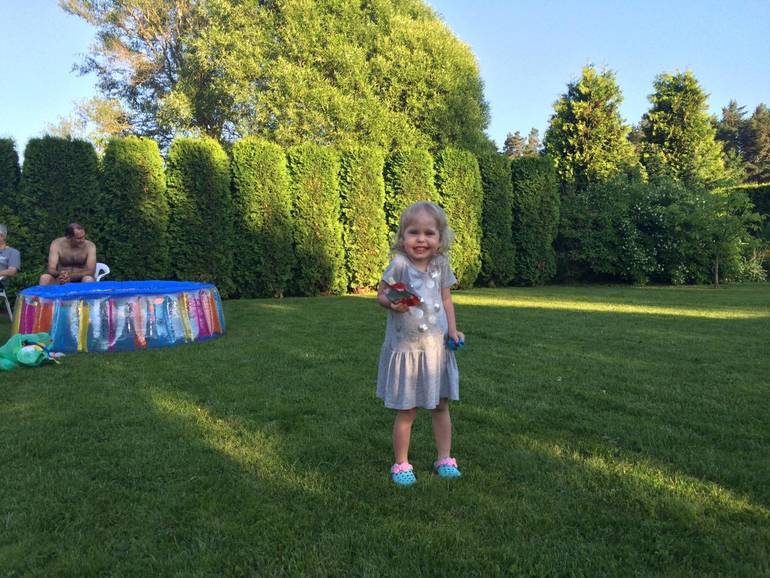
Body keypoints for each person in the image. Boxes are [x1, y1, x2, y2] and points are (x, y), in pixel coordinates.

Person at [376, 201, 465, 486]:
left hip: (436, 350)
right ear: (402, 237)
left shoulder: (441, 265)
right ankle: (401, 463)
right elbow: (381, 294)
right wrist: (391, 304)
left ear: (440, 238)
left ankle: (445, 458)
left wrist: (453, 330)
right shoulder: (399, 265)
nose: (421, 239)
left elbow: (447, 299)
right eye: (414, 232)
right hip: (408, 350)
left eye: (429, 233)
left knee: (440, 405)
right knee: (407, 410)